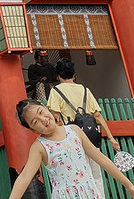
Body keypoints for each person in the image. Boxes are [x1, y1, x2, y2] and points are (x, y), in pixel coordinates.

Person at [8, 100, 134, 199]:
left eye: (41, 112)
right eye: (35, 122)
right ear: (32, 129)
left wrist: (128, 185)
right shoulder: (39, 147)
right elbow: (25, 177)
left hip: (90, 192)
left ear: (44, 107)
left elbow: (101, 159)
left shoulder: (74, 131)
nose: (43, 119)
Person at [46, 58, 120, 197]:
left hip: (73, 138)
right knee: (96, 173)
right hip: (92, 135)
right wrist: (111, 138)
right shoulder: (85, 90)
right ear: (74, 75)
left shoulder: (56, 91)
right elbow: (97, 116)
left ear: (58, 76)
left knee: (81, 173)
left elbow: (55, 117)